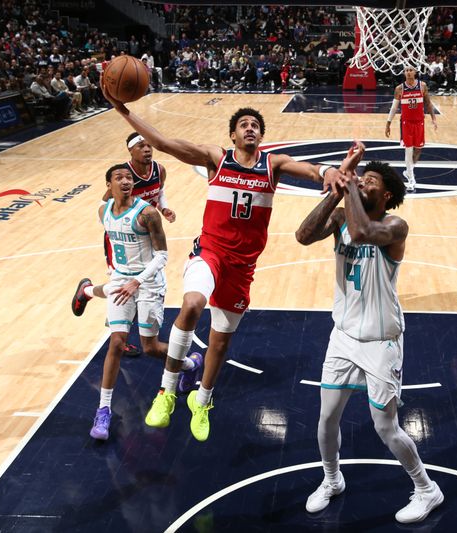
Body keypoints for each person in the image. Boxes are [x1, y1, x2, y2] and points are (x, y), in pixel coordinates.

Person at [103, 83, 351, 442]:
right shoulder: (216, 158)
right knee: (191, 303)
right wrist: (122, 109)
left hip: (242, 265)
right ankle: (167, 392)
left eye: (255, 125)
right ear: (232, 134)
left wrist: (328, 171)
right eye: (243, 124)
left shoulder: (273, 163)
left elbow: (312, 171)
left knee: (219, 343)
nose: (250, 128)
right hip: (211, 251)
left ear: (261, 135)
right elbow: (163, 143)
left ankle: (202, 401)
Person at [295, 144, 444, 523]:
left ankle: (427, 489)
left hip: (382, 341)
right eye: (361, 177)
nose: (361, 180)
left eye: (370, 180)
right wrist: (336, 190)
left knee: (385, 427)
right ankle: (332, 479)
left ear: (387, 194)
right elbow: (303, 234)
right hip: (343, 336)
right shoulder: (343, 215)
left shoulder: (395, 227)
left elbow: (361, 232)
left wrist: (346, 184)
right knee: (326, 418)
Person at [86, 163, 181, 441]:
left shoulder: (148, 214)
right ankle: (103, 410)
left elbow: (162, 256)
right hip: (120, 281)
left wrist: (137, 280)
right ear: (109, 185)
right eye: (119, 178)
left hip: (148, 283)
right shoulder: (103, 211)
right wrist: (118, 275)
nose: (126, 181)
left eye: (129, 177)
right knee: (116, 342)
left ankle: (186, 363)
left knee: (150, 348)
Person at [73, 132, 177, 357]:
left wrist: (163, 208)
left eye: (149, 145)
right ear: (131, 151)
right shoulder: (122, 175)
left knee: (133, 285)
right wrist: (112, 223)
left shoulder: (159, 170)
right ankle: (118, 335)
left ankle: (88, 291)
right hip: (120, 235)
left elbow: (159, 191)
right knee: (121, 285)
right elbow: (103, 203)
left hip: (143, 231)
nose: (147, 149)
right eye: (141, 146)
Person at [385, 66, 437, 191]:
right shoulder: (399, 88)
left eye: (410, 70)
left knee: (418, 149)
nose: (408, 72)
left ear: (415, 72)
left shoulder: (422, 86)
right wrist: (388, 123)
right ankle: (411, 179)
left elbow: (428, 103)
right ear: (404, 73)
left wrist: (433, 118)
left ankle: (409, 170)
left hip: (419, 122)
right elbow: (393, 108)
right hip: (406, 123)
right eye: (406, 70)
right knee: (408, 150)